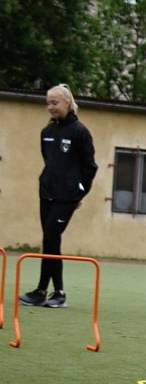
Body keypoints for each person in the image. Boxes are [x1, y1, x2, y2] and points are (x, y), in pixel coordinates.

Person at [20, 84, 97, 308]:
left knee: (52, 235)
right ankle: (43, 291)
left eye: (54, 103)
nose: (50, 107)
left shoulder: (80, 132)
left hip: (67, 197)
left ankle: (58, 292)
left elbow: (90, 167)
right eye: (48, 103)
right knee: (49, 238)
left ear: (67, 102)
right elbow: (50, 161)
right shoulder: (47, 132)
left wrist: (79, 192)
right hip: (46, 193)